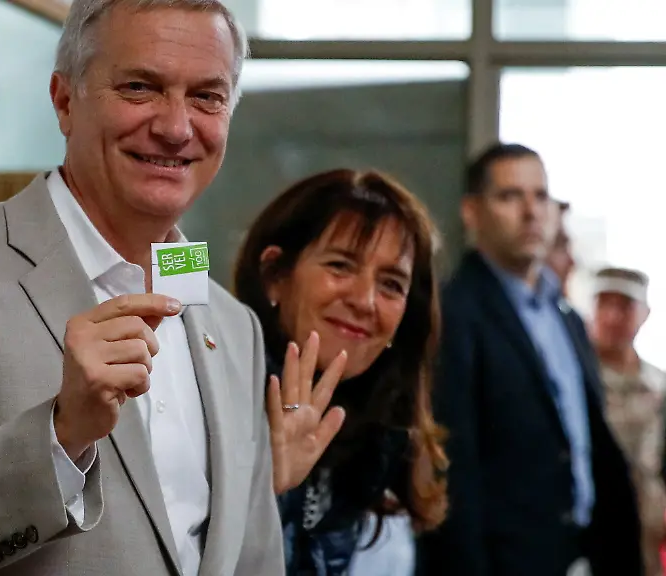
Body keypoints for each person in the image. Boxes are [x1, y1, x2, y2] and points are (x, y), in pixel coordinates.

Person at [0, 1, 286, 575]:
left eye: (207, 97)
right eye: (140, 88)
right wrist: (60, 436)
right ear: (65, 101)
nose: (175, 126)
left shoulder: (232, 325)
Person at [417, 143, 642, 576]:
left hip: (579, 553)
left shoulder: (567, 318)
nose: (531, 212)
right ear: (472, 211)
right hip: (504, 561)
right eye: (509, 196)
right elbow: (453, 466)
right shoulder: (454, 313)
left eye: (541, 196)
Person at [233, 169, 449, 576]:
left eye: (391, 284)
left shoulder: (384, 437)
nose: (365, 300)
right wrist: (264, 490)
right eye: (341, 266)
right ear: (274, 276)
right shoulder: (213, 402)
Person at [591, 266, 666, 576]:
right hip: (592, 536)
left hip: (648, 539)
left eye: (624, 306)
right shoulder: (576, 382)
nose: (612, 317)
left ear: (645, 313)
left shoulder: (659, 387)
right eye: (603, 304)